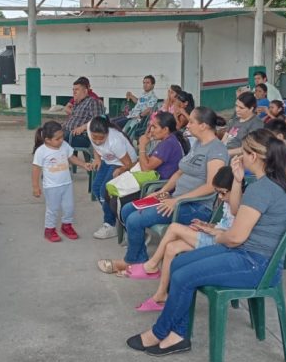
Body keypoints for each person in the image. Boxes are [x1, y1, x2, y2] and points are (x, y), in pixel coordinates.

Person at [125, 129, 286, 356]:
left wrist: (218, 235)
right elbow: (236, 210)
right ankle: (178, 334)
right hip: (247, 255)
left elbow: (234, 237)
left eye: (244, 152)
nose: (240, 156)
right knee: (178, 263)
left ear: (254, 156)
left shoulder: (262, 188)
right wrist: (237, 180)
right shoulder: (265, 183)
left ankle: (160, 332)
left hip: (255, 263)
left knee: (184, 275)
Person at [97, 107, 229, 274]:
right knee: (127, 208)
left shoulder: (216, 150)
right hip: (175, 198)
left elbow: (212, 185)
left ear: (203, 126)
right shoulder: (198, 144)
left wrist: (177, 201)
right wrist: (163, 191)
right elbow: (180, 171)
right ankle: (140, 257)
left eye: (191, 122)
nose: (187, 125)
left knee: (134, 220)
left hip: (194, 206)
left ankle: (131, 261)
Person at [132, 166, 239, 312]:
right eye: (218, 193)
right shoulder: (227, 201)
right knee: (171, 247)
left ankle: (152, 265)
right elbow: (223, 224)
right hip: (214, 236)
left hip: (221, 243)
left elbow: (234, 233)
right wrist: (207, 225)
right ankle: (161, 295)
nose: (220, 197)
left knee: (174, 227)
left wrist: (212, 230)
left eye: (222, 193)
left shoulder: (241, 204)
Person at [32, 120, 92, 242]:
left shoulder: (64, 145)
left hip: (67, 184)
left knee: (69, 207)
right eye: (57, 139)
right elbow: (36, 169)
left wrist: (83, 164)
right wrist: (35, 186)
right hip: (51, 186)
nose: (61, 140)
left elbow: (71, 157)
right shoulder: (41, 151)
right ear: (47, 140)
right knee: (52, 209)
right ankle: (49, 229)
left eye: (62, 137)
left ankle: (67, 226)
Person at [88, 116, 138, 239]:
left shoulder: (115, 141)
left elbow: (130, 163)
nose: (98, 141)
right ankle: (115, 215)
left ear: (107, 133)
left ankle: (110, 224)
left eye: (101, 138)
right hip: (108, 160)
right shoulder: (90, 128)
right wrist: (98, 159)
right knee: (95, 188)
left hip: (122, 163)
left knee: (104, 191)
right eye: (95, 137)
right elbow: (94, 146)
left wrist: (121, 170)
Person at [62, 77, 104, 148]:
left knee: (55, 140)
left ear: (85, 91)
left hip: (82, 137)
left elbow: (98, 121)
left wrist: (83, 127)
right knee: (47, 132)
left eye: (77, 90)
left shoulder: (92, 101)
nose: (74, 92)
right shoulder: (77, 103)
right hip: (69, 133)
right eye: (73, 90)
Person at [221, 92, 264, 156]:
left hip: (238, 158)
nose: (237, 110)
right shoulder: (235, 120)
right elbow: (224, 139)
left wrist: (225, 153)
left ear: (251, 109)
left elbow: (248, 148)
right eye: (236, 106)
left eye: (241, 108)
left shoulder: (256, 124)